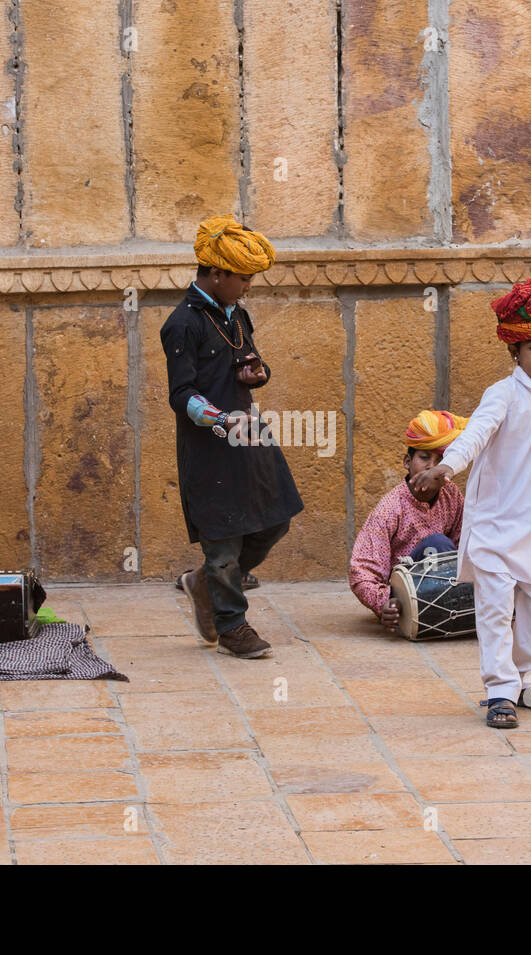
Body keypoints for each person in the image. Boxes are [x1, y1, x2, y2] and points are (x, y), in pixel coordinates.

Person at [411, 281, 531, 729]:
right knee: (496, 611)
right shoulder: (502, 393)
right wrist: (447, 468)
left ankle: (524, 675)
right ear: (515, 351)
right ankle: (500, 691)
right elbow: (476, 434)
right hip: (495, 527)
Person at [162, 215, 303, 659]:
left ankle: (202, 583)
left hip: (248, 434)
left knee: (275, 518)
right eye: (243, 278)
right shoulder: (181, 324)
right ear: (216, 274)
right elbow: (181, 395)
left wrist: (256, 373)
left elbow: (248, 364)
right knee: (222, 541)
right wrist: (219, 419)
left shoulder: (237, 314)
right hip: (209, 446)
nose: (248, 287)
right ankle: (232, 627)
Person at [349, 410, 468, 632]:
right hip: (408, 594)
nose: (431, 467)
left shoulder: (452, 495)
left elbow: (465, 546)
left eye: (440, 460)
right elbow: (361, 572)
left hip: (449, 585)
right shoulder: (389, 509)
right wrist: (384, 602)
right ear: (407, 461)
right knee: (437, 544)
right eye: (424, 458)